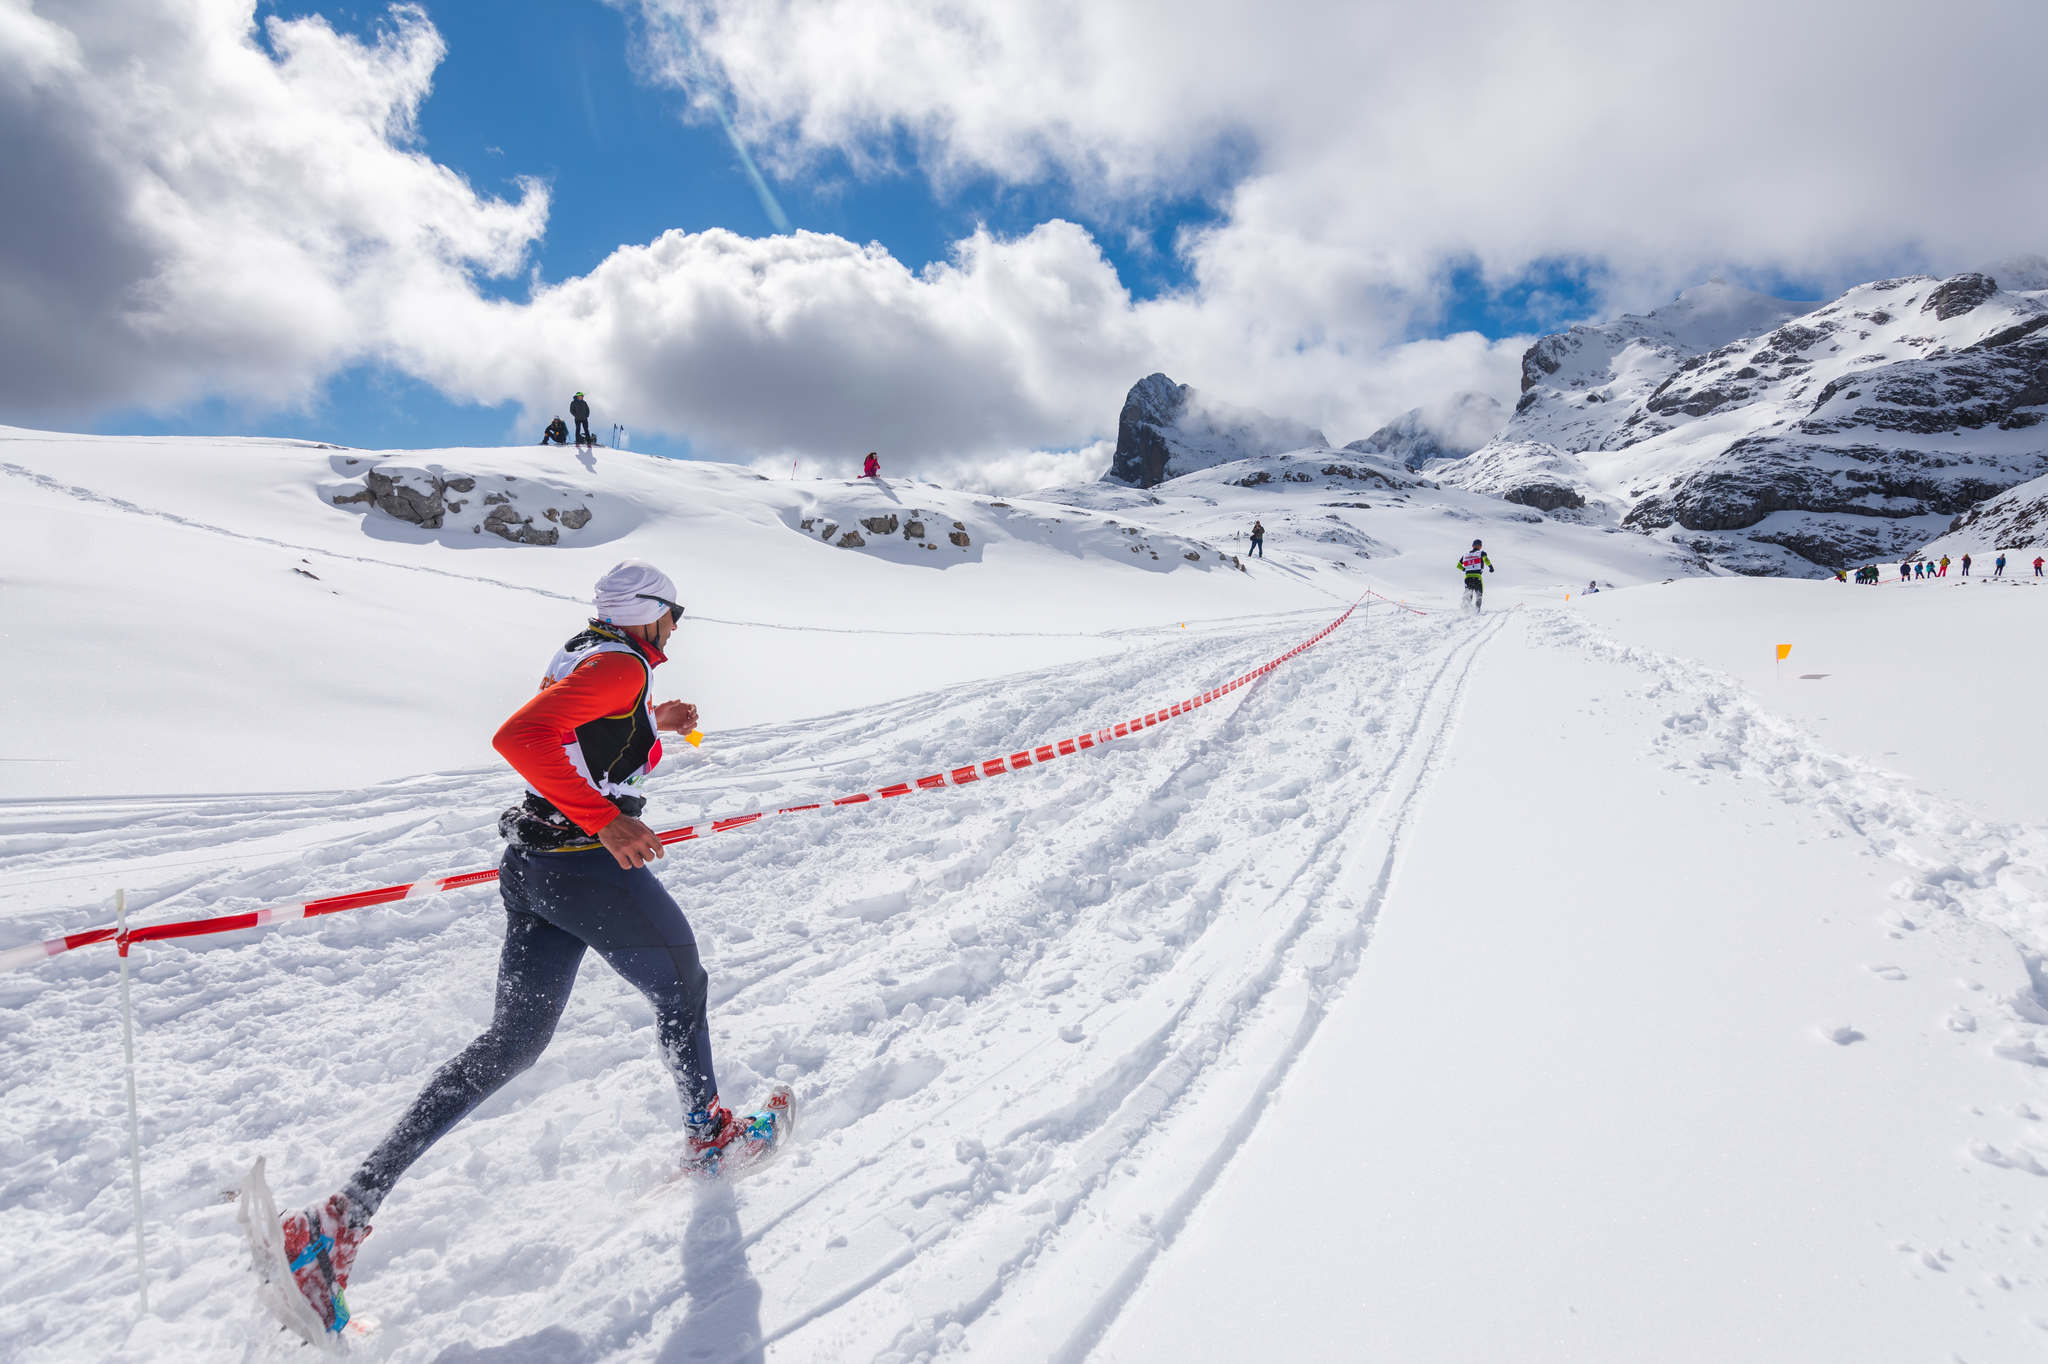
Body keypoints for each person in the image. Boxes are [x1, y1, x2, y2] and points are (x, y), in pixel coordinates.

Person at [272, 560, 788, 1336]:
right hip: (583, 870)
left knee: (512, 1043)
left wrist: (659, 728)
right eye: (675, 613)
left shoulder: (589, 653)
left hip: (535, 868)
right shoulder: (618, 667)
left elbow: (580, 748)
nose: (679, 628)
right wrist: (604, 821)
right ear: (647, 613)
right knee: (683, 986)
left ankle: (337, 1221)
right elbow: (520, 737)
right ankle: (709, 1134)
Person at [1458, 539, 1493, 611]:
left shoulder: (1465, 554)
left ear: (1472, 546)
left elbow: (1458, 565)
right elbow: (1486, 560)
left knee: (1468, 595)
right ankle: (1476, 612)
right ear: (1480, 546)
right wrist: (1491, 567)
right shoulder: (1481, 553)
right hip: (1477, 577)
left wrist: (1464, 569)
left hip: (1467, 578)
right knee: (1478, 595)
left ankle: (1466, 610)